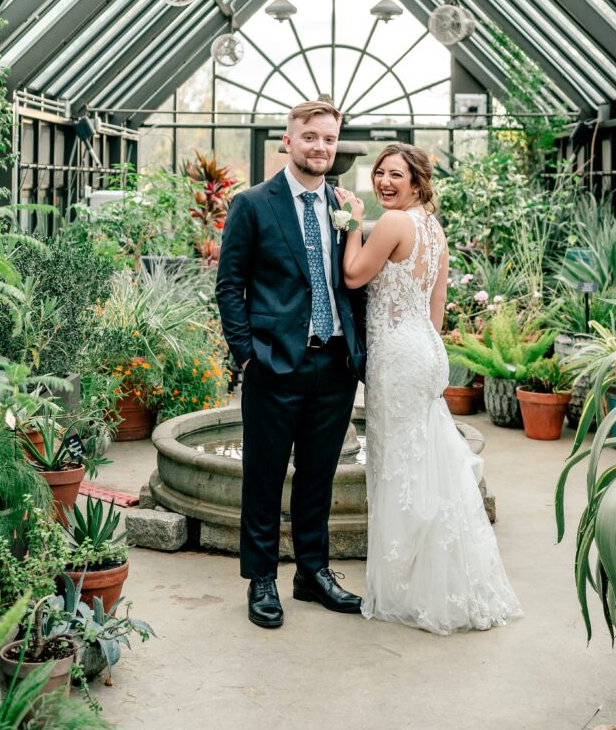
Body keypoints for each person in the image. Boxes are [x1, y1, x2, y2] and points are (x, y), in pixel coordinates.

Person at [335, 142, 521, 634]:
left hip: (396, 357)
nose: (383, 183)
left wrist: (353, 221)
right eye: (378, 174)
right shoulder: (433, 229)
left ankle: (409, 583)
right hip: (423, 350)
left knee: (398, 464)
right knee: (428, 461)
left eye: (395, 175)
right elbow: (436, 307)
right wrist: (423, 349)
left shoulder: (393, 223)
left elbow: (354, 276)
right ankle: (441, 574)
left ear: (418, 183)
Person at [216, 100, 366, 629]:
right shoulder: (253, 204)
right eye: (310, 137)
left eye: (328, 139)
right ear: (288, 139)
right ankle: (261, 579)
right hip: (274, 363)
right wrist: (247, 356)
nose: (320, 147)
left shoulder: (347, 205)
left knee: (319, 476)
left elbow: (353, 281)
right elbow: (228, 286)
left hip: (335, 365)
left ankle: (312, 572)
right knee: (263, 475)